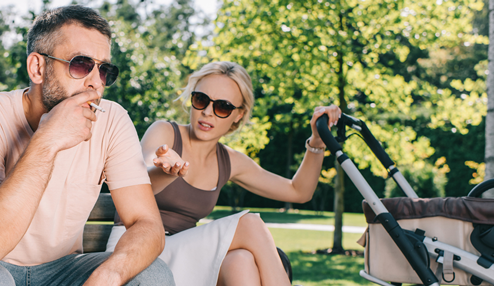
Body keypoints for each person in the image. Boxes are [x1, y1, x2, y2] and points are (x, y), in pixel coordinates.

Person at [0, 5, 174, 286]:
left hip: (62, 270)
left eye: (104, 70)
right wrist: (47, 139)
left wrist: (109, 276)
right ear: (37, 67)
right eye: (81, 64)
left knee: (153, 274)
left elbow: (147, 224)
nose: (96, 83)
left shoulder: (113, 120)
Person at [106, 61, 341, 286]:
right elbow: (138, 186)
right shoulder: (165, 132)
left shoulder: (229, 161)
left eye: (223, 106)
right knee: (248, 224)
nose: (208, 112)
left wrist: (318, 143)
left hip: (180, 262)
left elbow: (299, 191)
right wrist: (166, 172)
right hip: (135, 250)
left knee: (241, 261)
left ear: (238, 115)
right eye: (201, 100)